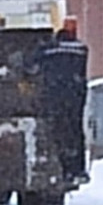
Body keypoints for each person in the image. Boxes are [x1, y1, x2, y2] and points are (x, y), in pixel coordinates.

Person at [29, 18, 90, 184]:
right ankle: (75, 170)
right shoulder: (82, 49)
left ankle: (57, 166)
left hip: (54, 96)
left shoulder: (49, 50)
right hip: (75, 97)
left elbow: (31, 65)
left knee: (54, 132)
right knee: (75, 133)